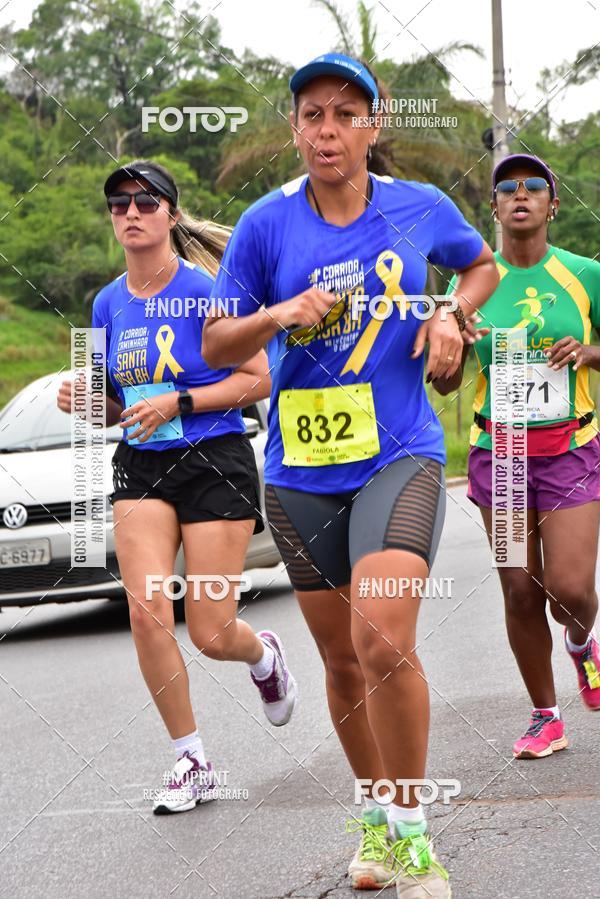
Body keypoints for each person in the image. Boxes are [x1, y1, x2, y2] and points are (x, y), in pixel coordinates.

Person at [202, 54, 498, 897]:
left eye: (344, 114)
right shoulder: (265, 225)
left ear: (373, 125)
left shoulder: (421, 207)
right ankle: (372, 812)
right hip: (299, 470)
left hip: (399, 453)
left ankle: (411, 833)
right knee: (339, 662)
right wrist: (277, 314)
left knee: (383, 641)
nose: (326, 130)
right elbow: (219, 343)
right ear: (295, 127)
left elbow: (479, 265)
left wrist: (451, 310)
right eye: (311, 115)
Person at [57, 160, 297, 815]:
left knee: (212, 630)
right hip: (142, 465)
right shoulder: (105, 303)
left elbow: (258, 378)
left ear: (170, 211)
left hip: (214, 457)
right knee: (145, 609)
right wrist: (84, 401)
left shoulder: (209, 289)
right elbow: (114, 404)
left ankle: (264, 654)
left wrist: (180, 401)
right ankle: (191, 759)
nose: (130, 212)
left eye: (144, 201)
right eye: (118, 204)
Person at [443, 153, 600, 760]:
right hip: (501, 454)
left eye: (534, 186)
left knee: (569, 590)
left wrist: (587, 353)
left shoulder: (584, 274)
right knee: (518, 589)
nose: (520, 194)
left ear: (552, 203)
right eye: (507, 187)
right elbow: (444, 383)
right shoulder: (475, 284)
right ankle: (545, 715)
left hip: (571, 448)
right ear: (494, 205)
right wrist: (457, 346)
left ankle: (583, 644)